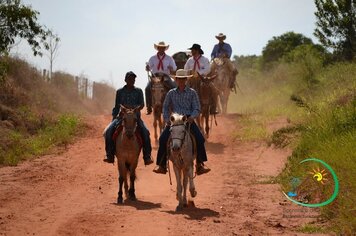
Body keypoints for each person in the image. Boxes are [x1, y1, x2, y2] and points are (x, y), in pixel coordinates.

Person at [153, 69, 211, 175]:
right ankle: (161, 165)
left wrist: (192, 117)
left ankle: (199, 164)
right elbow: (165, 107)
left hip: (188, 120)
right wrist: (167, 120)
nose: (181, 81)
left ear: (186, 80)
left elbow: (197, 108)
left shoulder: (192, 93)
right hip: (174, 121)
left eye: (183, 79)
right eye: (179, 79)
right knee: (162, 139)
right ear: (176, 80)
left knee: (200, 139)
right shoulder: (171, 93)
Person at [103, 71, 153, 165]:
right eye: (130, 79)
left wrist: (133, 107)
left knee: (145, 132)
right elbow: (116, 106)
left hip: (135, 118)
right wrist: (114, 118)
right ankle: (109, 154)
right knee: (108, 131)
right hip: (121, 118)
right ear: (125, 80)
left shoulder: (139, 91)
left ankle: (147, 156)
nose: (132, 80)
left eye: (133, 79)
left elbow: (142, 104)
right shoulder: (119, 92)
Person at [184, 43, 218, 115]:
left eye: (193, 50)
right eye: (192, 50)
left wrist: (199, 73)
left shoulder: (204, 59)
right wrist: (189, 72)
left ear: (198, 51)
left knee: (214, 89)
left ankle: (213, 108)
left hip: (203, 79)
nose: (192, 52)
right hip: (191, 79)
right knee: (182, 90)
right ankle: (183, 107)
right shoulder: (189, 60)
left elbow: (208, 69)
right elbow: (185, 69)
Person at [145, 41, 177, 115]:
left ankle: (175, 106)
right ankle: (149, 107)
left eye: (163, 48)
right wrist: (147, 67)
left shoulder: (169, 58)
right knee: (147, 88)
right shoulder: (152, 58)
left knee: (174, 87)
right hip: (155, 76)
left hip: (165, 76)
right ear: (158, 48)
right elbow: (148, 68)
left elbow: (175, 68)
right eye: (160, 48)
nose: (161, 49)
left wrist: (171, 68)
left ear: (165, 49)